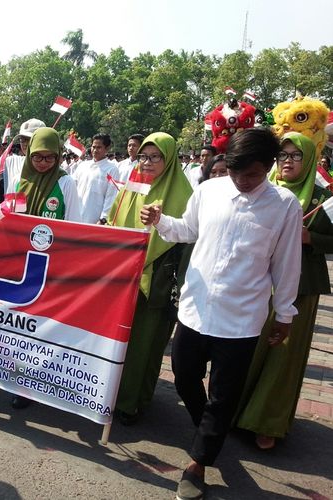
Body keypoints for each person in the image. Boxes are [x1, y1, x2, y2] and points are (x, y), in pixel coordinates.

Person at [140, 128, 302, 500]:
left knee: (222, 396)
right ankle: (210, 431)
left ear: (269, 167)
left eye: (253, 175)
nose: (243, 182)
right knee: (184, 378)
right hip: (195, 310)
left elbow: (287, 265)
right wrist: (160, 220)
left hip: (241, 318)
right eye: (235, 172)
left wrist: (284, 314)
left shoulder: (285, 205)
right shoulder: (210, 191)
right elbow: (186, 231)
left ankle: (197, 464)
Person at [236, 132, 333, 450]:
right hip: (258, 282)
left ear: (309, 160)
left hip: (300, 288)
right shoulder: (264, 190)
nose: (287, 161)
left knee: (282, 357)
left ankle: (268, 422)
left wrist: (311, 239)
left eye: (295, 156)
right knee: (248, 349)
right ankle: (236, 411)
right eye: (282, 155)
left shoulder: (323, 199)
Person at [110, 132, 192, 425]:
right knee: (118, 341)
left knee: (145, 344)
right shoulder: (133, 183)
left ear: (169, 159)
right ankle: (109, 395)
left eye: (154, 157)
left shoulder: (183, 194)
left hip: (157, 280)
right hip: (123, 276)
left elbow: (188, 238)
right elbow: (114, 216)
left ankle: (133, 402)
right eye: (143, 156)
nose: (146, 162)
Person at [0, 126, 83, 408]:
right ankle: (19, 380)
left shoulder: (65, 183)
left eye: (49, 157)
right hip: (20, 264)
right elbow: (9, 216)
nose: (43, 163)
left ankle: (37, 380)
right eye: (38, 157)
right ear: (28, 154)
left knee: (41, 327)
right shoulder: (21, 179)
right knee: (18, 324)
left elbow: (74, 225)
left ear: (58, 157)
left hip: (50, 266)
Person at [71, 133, 119, 224]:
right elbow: (72, 188)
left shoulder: (112, 169)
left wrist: (103, 219)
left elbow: (111, 197)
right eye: (93, 147)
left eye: (99, 147)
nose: (95, 150)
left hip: (94, 219)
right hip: (75, 216)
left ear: (107, 148)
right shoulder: (83, 165)